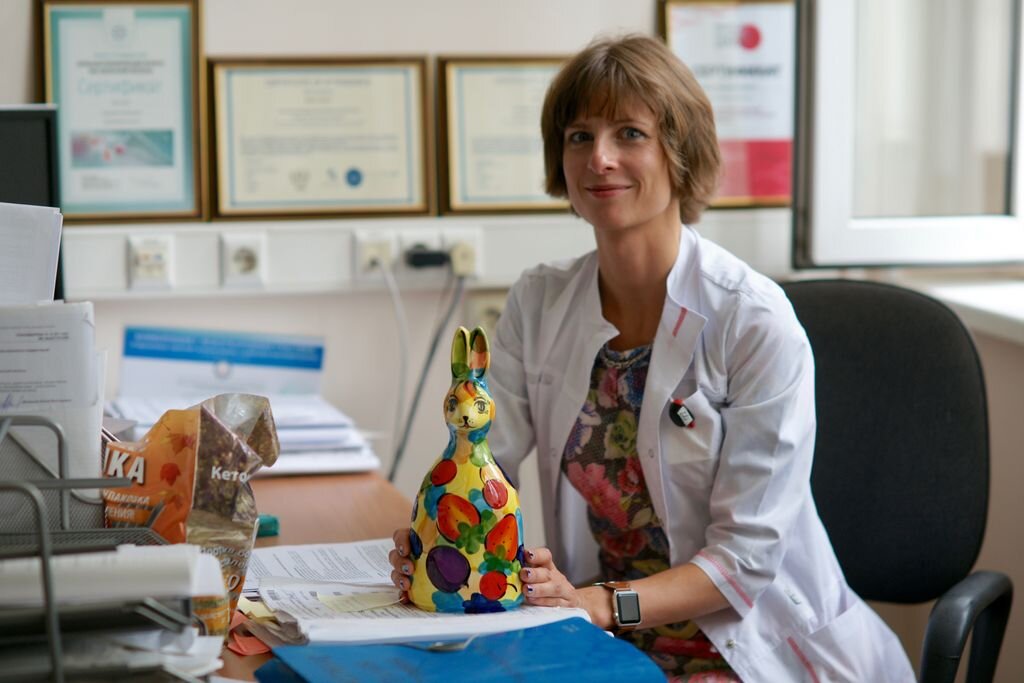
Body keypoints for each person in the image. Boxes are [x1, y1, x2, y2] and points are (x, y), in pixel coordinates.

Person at [391, 34, 915, 682]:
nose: (599, 157)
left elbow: (745, 561)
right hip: (604, 639)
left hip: (745, 647)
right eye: (579, 136)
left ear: (679, 153)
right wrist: (440, 533)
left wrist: (603, 604)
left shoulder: (751, 319)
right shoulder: (539, 299)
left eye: (630, 134)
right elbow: (484, 457)